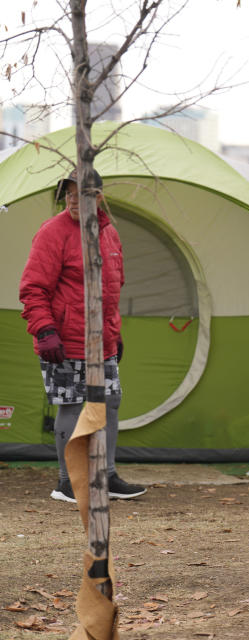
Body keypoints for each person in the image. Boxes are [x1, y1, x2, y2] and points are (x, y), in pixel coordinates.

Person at [19, 168, 146, 503]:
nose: (74, 200)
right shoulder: (53, 232)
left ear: (99, 197)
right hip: (63, 341)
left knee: (110, 403)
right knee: (72, 405)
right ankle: (66, 482)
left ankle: (107, 476)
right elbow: (33, 289)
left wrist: (114, 335)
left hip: (100, 341)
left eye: (82, 194)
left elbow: (114, 286)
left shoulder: (109, 234)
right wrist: (45, 330)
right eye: (69, 194)